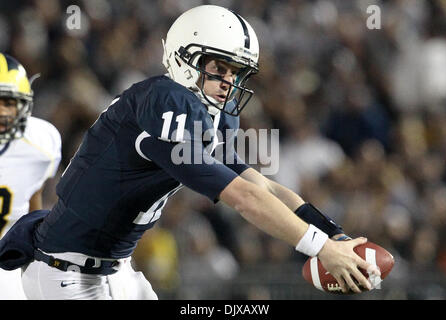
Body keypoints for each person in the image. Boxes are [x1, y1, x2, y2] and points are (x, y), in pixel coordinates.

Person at [0, 5, 379, 300]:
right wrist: (319, 248)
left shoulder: (208, 114)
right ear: (186, 58)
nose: (229, 82)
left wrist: (333, 234)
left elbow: (262, 186)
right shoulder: (164, 102)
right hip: (67, 272)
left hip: (116, 270)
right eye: (219, 68)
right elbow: (245, 199)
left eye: (237, 73)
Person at [0, 53, 62, 299]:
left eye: (9, 101)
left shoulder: (40, 144)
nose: (2, 112)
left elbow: (34, 195)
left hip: (7, 264)